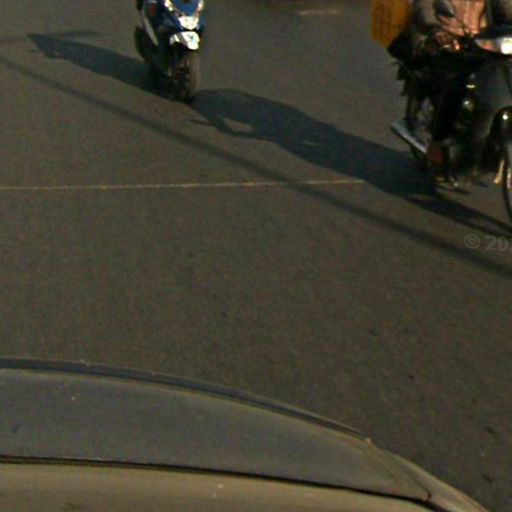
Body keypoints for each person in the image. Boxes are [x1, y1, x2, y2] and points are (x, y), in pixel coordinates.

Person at [395, 0, 512, 180]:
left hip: (484, 43)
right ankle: (437, 143)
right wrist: (437, 31)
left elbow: (506, 9)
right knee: (456, 85)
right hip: (447, 41)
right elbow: (424, 7)